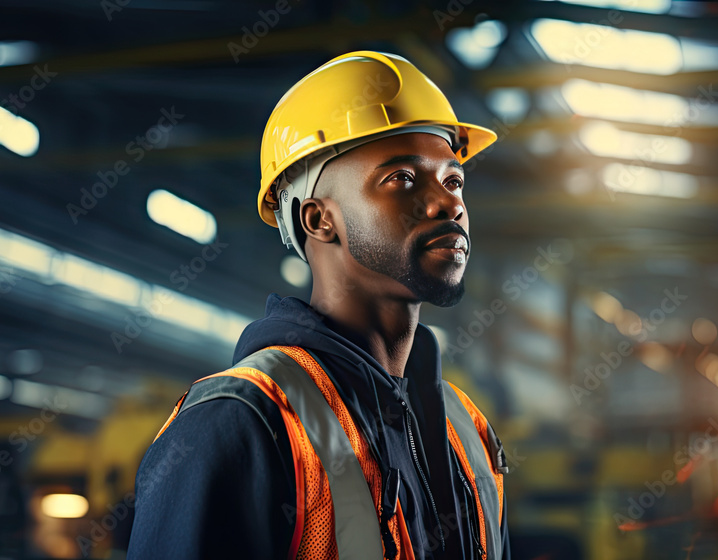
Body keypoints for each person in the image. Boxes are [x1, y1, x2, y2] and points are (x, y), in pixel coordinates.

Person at [128, 50, 510, 560]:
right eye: (402, 178)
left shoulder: (466, 428)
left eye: (454, 179)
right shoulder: (241, 422)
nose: (450, 203)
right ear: (317, 220)